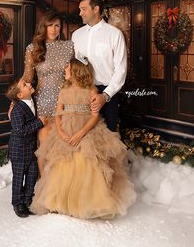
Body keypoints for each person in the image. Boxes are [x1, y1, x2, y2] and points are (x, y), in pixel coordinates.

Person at [30, 56, 136, 219]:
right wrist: (61, 132)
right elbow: (58, 114)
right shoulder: (63, 90)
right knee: (63, 163)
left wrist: (80, 134)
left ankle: (89, 202)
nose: (63, 71)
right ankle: (59, 201)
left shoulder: (92, 91)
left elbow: (94, 117)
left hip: (86, 130)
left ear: (75, 71)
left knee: (86, 161)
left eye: (66, 69)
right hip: (65, 129)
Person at [22, 11, 74, 175]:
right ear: (43, 26)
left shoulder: (68, 46)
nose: (53, 29)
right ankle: (44, 183)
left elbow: (75, 75)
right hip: (43, 102)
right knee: (44, 145)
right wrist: (14, 101)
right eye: (49, 25)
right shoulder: (33, 48)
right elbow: (27, 78)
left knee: (63, 143)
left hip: (65, 101)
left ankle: (60, 181)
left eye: (57, 25)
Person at [72, 0, 127, 132]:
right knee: (84, 136)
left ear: (96, 9)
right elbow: (74, 64)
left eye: (83, 9)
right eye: (80, 9)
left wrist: (105, 95)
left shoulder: (115, 34)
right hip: (82, 91)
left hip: (107, 92)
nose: (80, 13)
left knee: (108, 137)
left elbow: (121, 69)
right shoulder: (76, 35)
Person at [6, 77, 45, 218]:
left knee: (32, 175)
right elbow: (20, 130)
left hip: (31, 149)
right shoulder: (17, 109)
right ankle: (17, 202)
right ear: (20, 95)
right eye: (24, 84)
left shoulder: (31, 100)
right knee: (18, 177)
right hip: (19, 150)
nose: (29, 84)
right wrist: (39, 123)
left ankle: (28, 199)